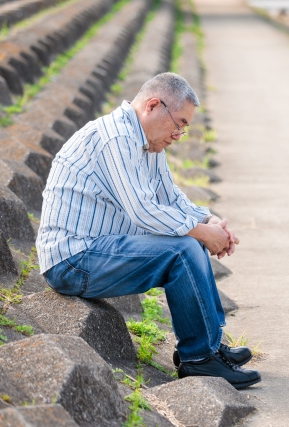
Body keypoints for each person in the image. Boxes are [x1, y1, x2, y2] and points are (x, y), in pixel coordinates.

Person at [36, 72, 261, 389]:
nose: (180, 134)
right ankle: (200, 360)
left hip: (100, 249)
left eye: (185, 127)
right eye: (179, 123)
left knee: (189, 241)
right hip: (73, 260)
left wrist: (209, 222)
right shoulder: (115, 138)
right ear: (154, 105)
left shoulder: (147, 145)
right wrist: (200, 233)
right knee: (182, 249)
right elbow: (143, 211)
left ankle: (206, 348)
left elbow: (171, 198)